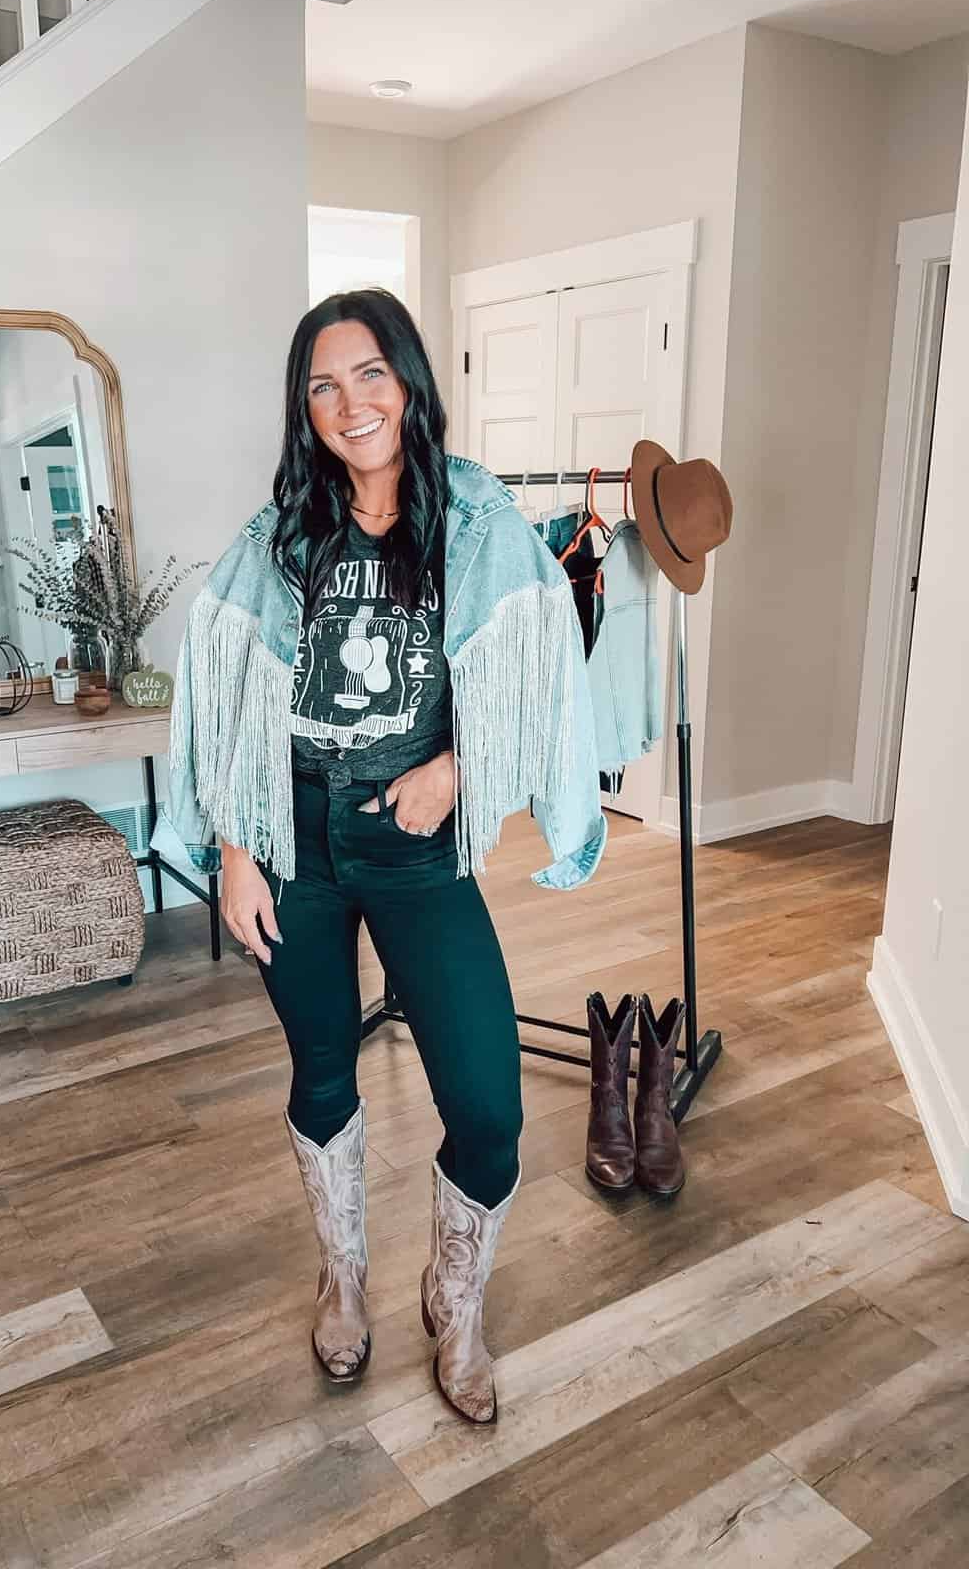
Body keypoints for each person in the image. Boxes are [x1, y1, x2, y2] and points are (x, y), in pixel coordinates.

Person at [161, 290, 606, 1424]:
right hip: (293, 843)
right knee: (322, 1071)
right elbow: (225, 696)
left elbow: (541, 668)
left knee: (489, 1110)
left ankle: (455, 1298)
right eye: (322, 385)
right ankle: (344, 1277)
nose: (348, 402)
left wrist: (458, 767)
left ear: (407, 381)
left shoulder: (479, 519)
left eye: (368, 374)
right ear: (303, 407)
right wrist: (237, 848)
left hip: (416, 850)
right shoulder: (280, 535)